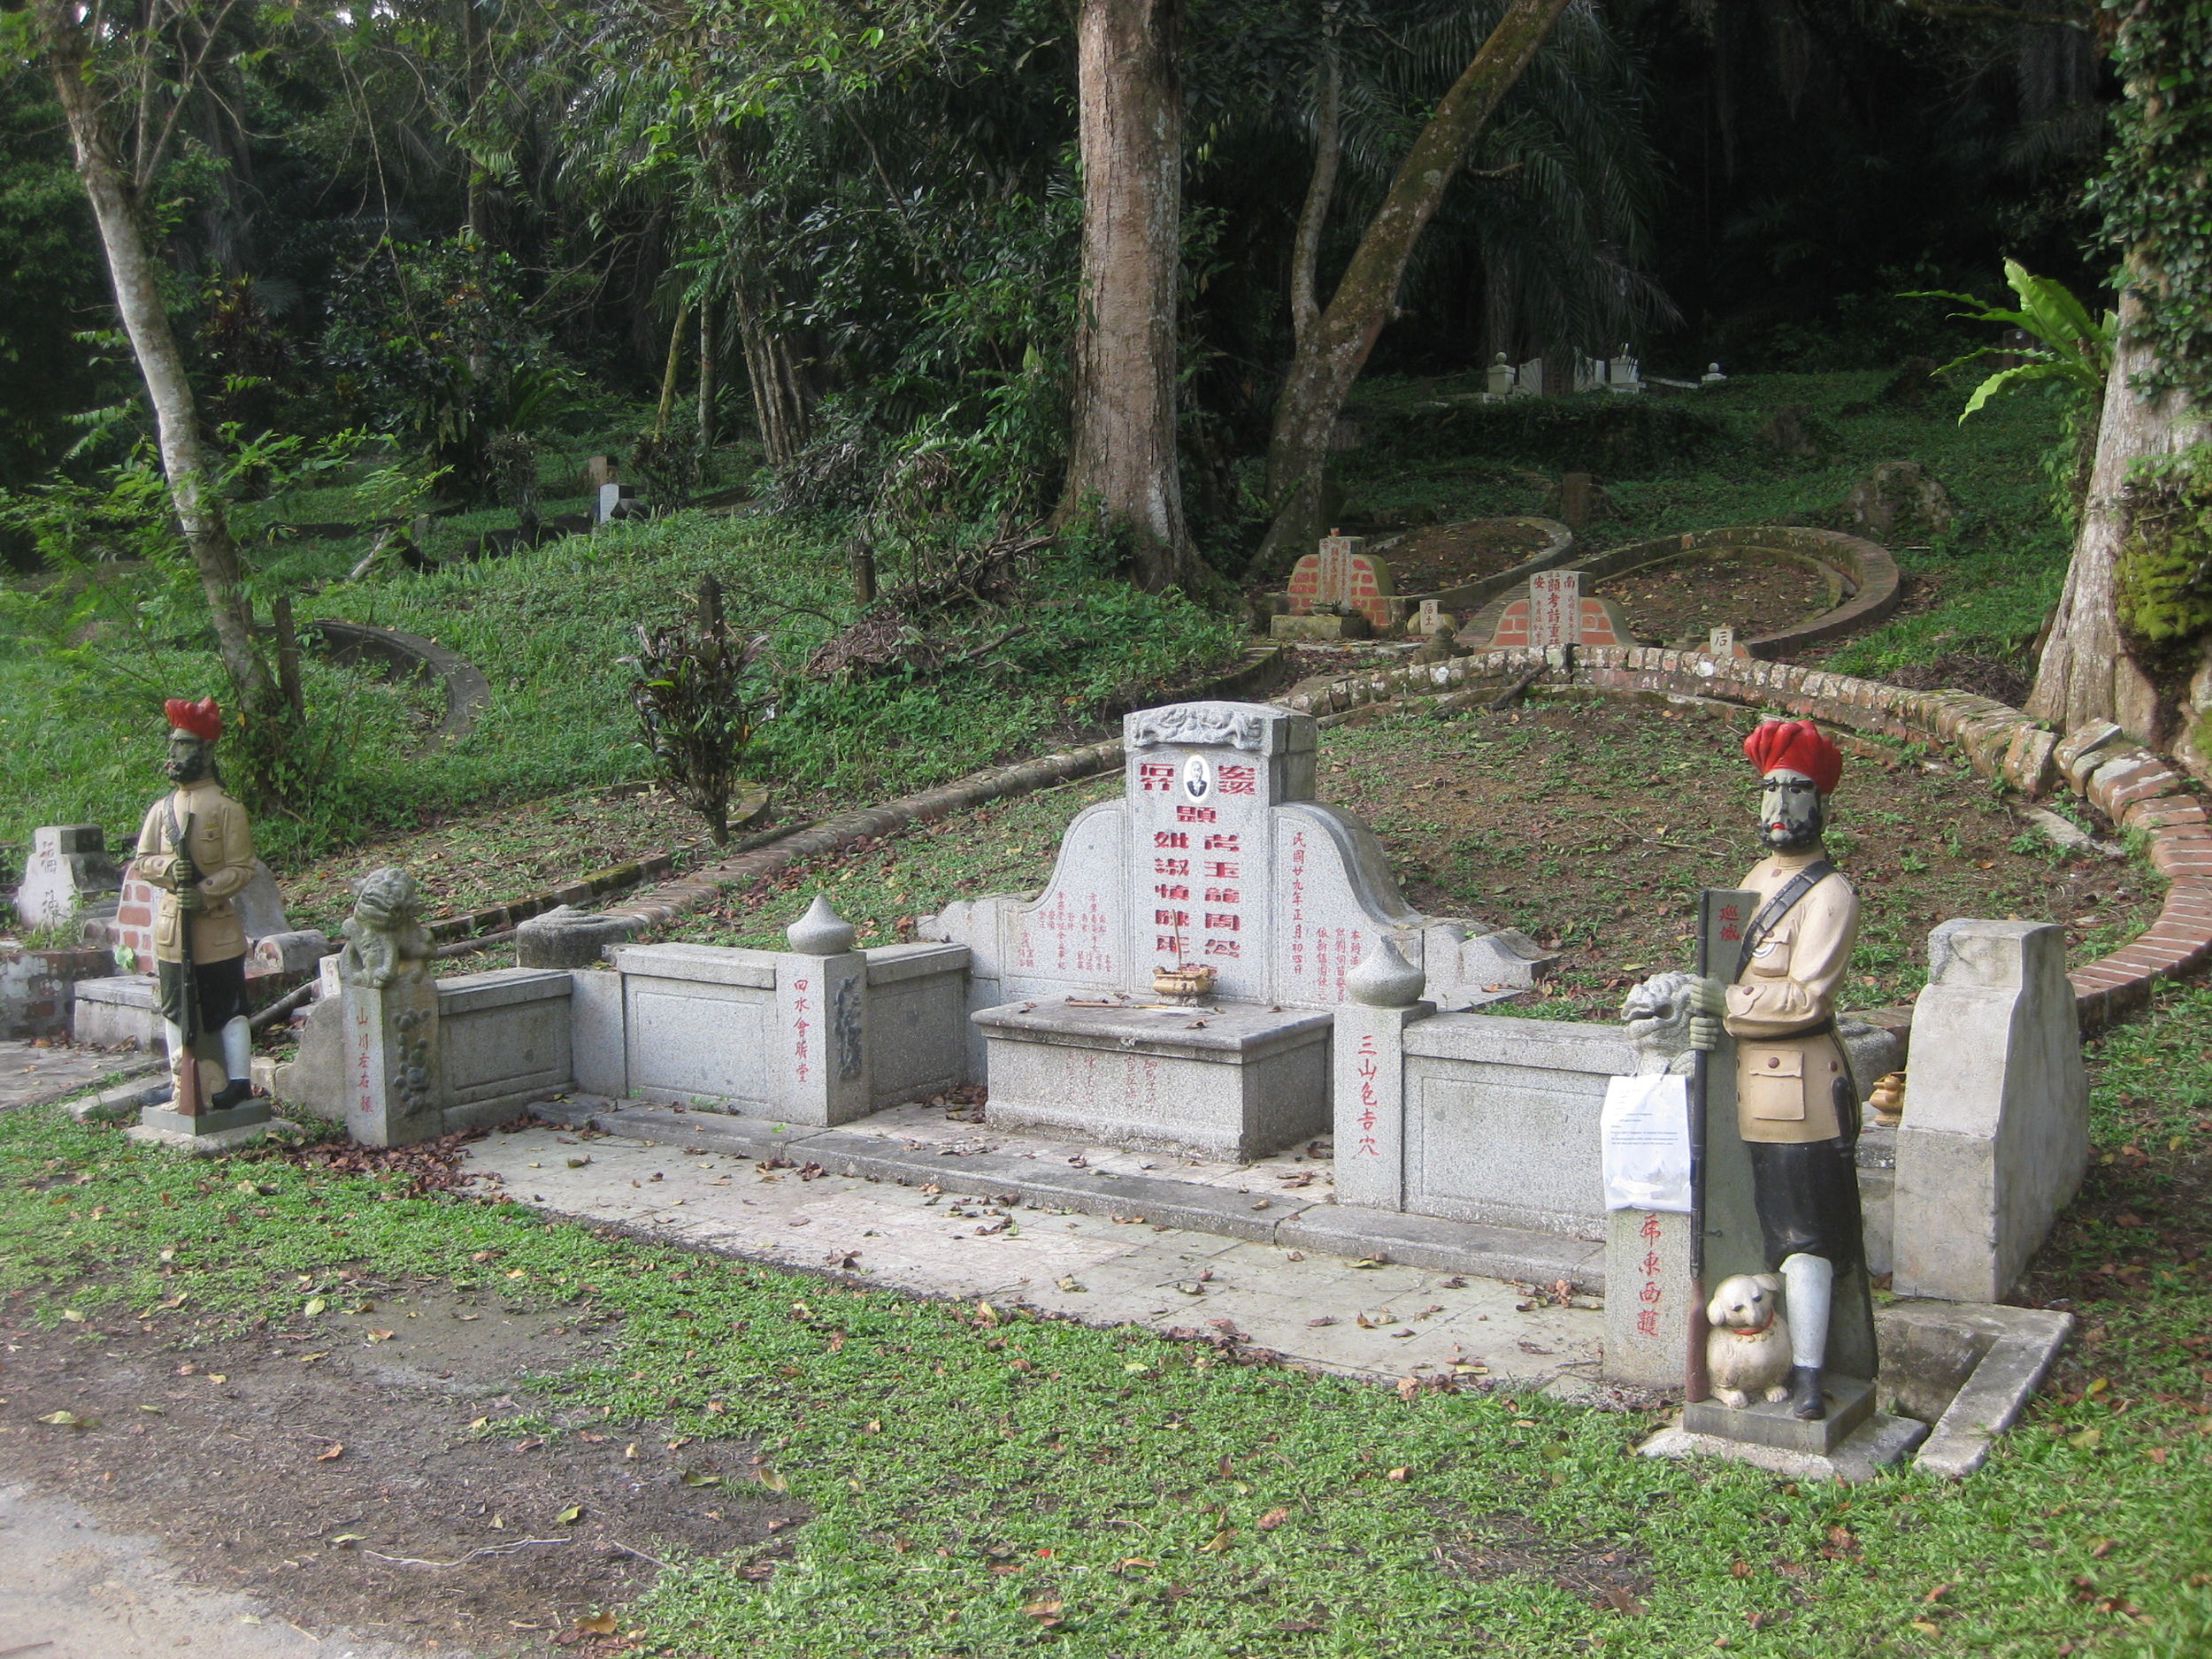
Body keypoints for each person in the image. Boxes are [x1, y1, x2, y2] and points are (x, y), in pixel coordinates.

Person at [1687, 718, 1863, 1420]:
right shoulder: (1757, 877)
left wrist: (1725, 1000)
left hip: (1798, 1088)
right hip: (1740, 1081)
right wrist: (1707, 1008)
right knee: (1753, 1229)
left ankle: (1814, 1371)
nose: (1780, 808)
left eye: (1795, 792)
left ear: (1821, 802)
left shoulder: (1830, 894)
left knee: (1804, 1238)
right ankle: (1754, 1356)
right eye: (1769, 792)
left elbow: (1807, 995)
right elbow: (1726, 965)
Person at [134, 697, 258, 1112]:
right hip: (173, 928)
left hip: (216, 929)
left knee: (229, 1008)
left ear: (205, 751)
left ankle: (239, 1081)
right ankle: (178, 1082)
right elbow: (143, 860)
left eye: (182, 745)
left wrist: (205, 892)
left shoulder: (227, 809)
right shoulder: (161, 810)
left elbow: (242, 867)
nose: (173, 753)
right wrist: (171, 869)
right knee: (173, 1008)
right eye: (172, 744)